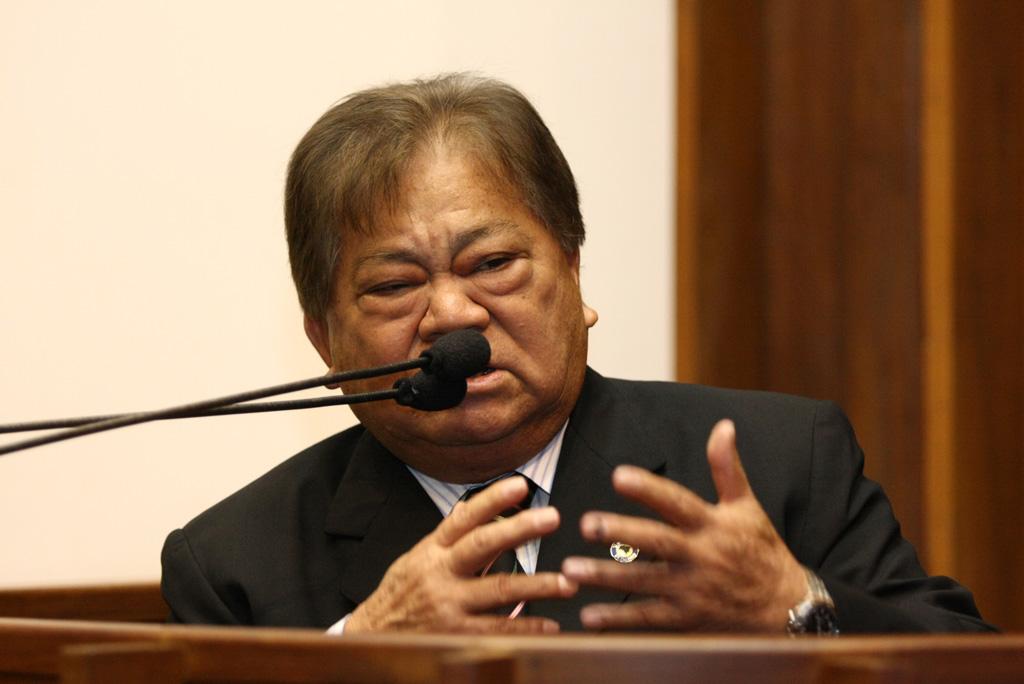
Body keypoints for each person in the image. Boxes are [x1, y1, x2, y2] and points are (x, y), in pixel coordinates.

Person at [161, 73, 993, 634]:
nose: (452, 315)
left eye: (494, 264)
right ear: (322, 338)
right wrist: (355, 658)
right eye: (393, 285)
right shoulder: (234, 565)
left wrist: (797, 605)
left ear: (573, 274)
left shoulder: (781, 462)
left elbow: (971, 666)